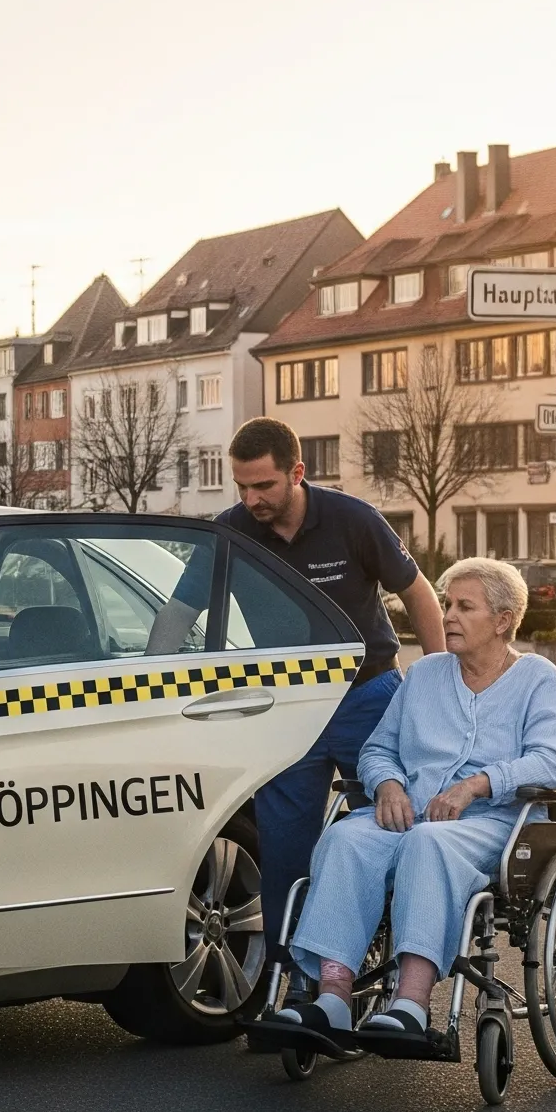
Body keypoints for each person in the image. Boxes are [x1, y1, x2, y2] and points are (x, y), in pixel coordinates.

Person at [276, 557, 556, 1036]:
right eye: (446, 604)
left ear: (502, 621)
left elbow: (553, 761)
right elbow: (378, 749)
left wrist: (477, 784)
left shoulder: (538, 678)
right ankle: (332, 996)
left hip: (493, 823)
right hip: (411, 814)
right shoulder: (424, 674)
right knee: (344, 840)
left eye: (464, 606)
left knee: (428, 844)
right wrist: (388, 784)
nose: (448, 615)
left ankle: (411, 1003)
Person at [218, 417, 444, 984]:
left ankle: (393, 966)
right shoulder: (232, 530)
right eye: (242, 487)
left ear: (297, 473)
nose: (252, 500)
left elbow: (417, 593)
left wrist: (437, 676)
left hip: (367, 695)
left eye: (264, 486)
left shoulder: (353, 519)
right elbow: (178, 611)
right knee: (285, 845)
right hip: (287, 706)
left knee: (390, 826)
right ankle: (289, 983)